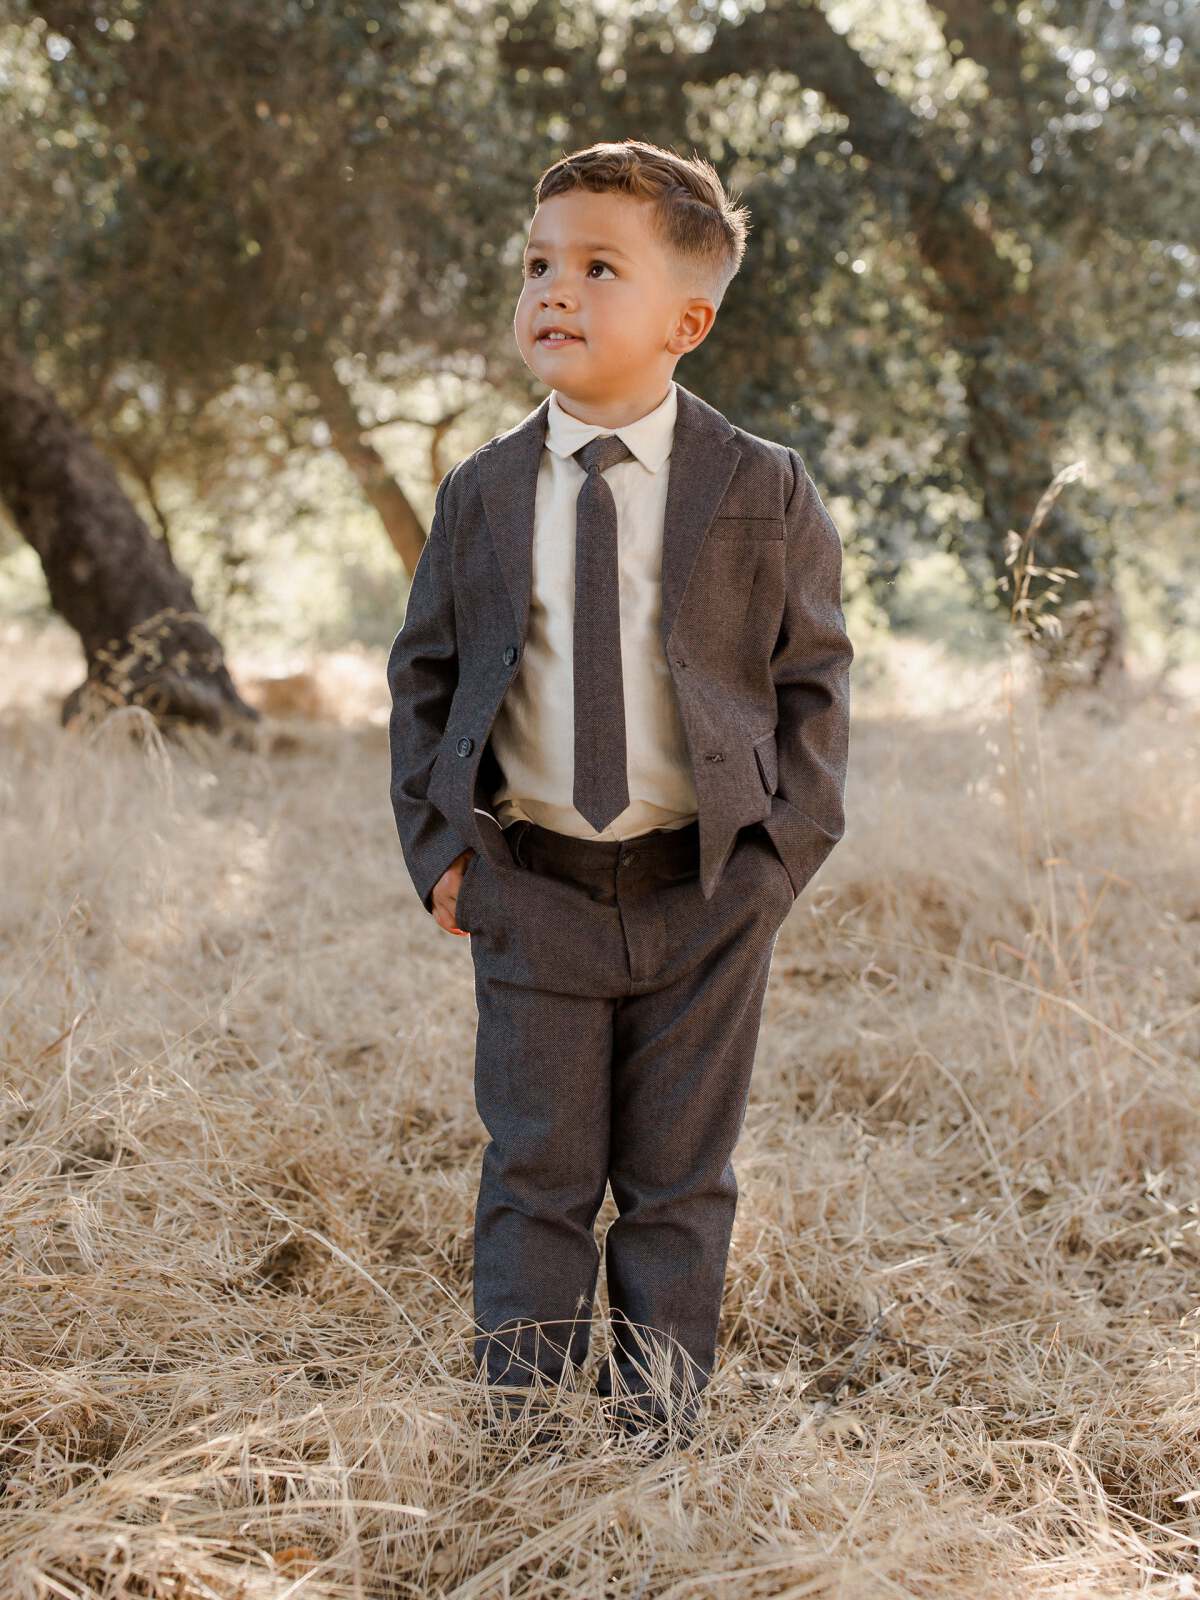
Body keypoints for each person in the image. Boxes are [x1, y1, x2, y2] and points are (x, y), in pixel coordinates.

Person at [387, 137, 853, 1453]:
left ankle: (655, 1439)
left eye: (600, 266)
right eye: (539, 262)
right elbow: (421, 678)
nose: (556, 289)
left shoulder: (762, 487)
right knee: (536, 1175)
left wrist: (779, 859)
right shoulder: (482, 493)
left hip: (704, 892)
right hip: (532, 886)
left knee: (676, 1181)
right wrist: (441, 854)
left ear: (686, 320)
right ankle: (527, 1441)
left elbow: (814, 676)